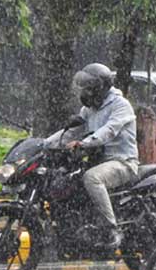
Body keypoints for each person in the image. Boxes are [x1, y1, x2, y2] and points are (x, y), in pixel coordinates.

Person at [46, 63, 139, 250]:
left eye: (89, 88)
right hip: (98, 161)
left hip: (122, 162)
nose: (85, 93)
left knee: (92, 178)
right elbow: (72, 131)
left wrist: (84, 143)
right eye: (83, 88)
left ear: (100, 88)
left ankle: (111, 229)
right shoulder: (89, 110)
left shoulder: (120, 105)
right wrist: (44, 144)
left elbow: (109, 130)